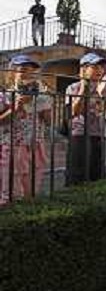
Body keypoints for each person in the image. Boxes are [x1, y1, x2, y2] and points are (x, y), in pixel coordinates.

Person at [0, 55, 52, 204]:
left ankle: (28, 212)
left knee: (32, 186)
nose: (28, 74)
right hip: (13, 145)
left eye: (32, 71)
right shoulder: (5, 95)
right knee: (11, 189)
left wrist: (44, 108)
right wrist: (15, 108)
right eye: (23, 70)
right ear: (12, 73)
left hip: (36, 144)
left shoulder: (41, 95)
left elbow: (48, 122)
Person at [65, 53, 106, 185]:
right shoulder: (73, 88)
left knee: (97, 174)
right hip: (79, 134)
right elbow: (74, 112)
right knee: (77, 175)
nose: (99, 70)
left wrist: (103, 94)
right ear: (84, 69)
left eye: (101, 67)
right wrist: (84, 87)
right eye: (95, 67)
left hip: (99, 134)